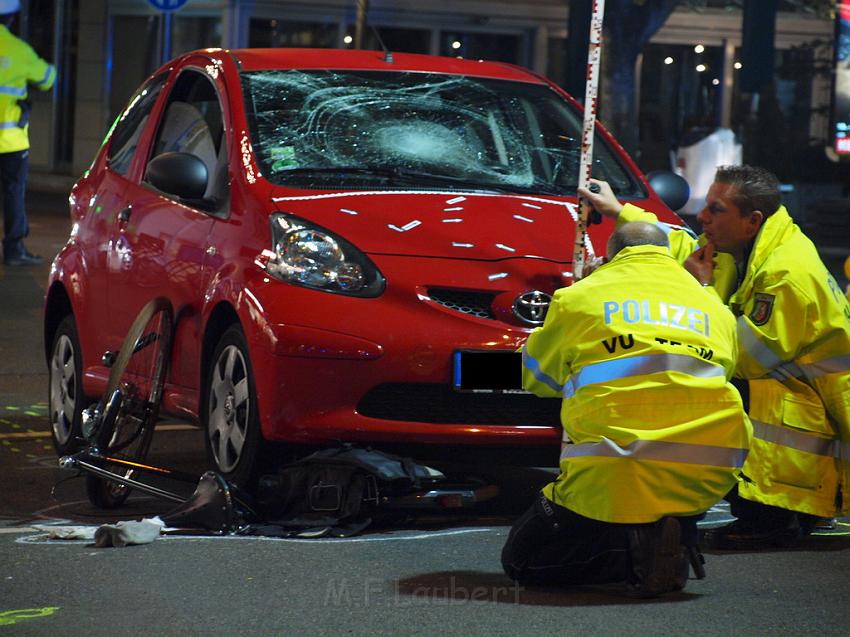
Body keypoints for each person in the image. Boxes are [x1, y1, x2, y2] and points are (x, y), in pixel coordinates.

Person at [578, 165, 850, 548]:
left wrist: (701, 290)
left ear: (752, 221)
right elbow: (683, 245)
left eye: (715, 210)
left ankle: (772, 516)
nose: (702, 217)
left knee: (709, 380)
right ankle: (787, 508)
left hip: (812, 407)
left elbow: (739, 358)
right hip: (803, 396)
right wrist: (620, 212)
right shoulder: (747, 247)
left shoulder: (786, 275)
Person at [502, 222, 751, 597]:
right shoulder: (713, 306)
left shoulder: (580, 296)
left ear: (609, 257)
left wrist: (471, 367)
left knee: (521, 561)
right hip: (709, 466)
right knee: (652, 483)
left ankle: (634, 554)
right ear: (667, 254)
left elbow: (538, 378)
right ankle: (673, 532)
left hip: (615, 464)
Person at [0, 0, 56, 266]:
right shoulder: (19, 51)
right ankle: (13, 250)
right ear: (11, 19)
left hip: (11, 141)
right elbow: (48, 79)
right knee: (13, 195)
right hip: (10, 142)